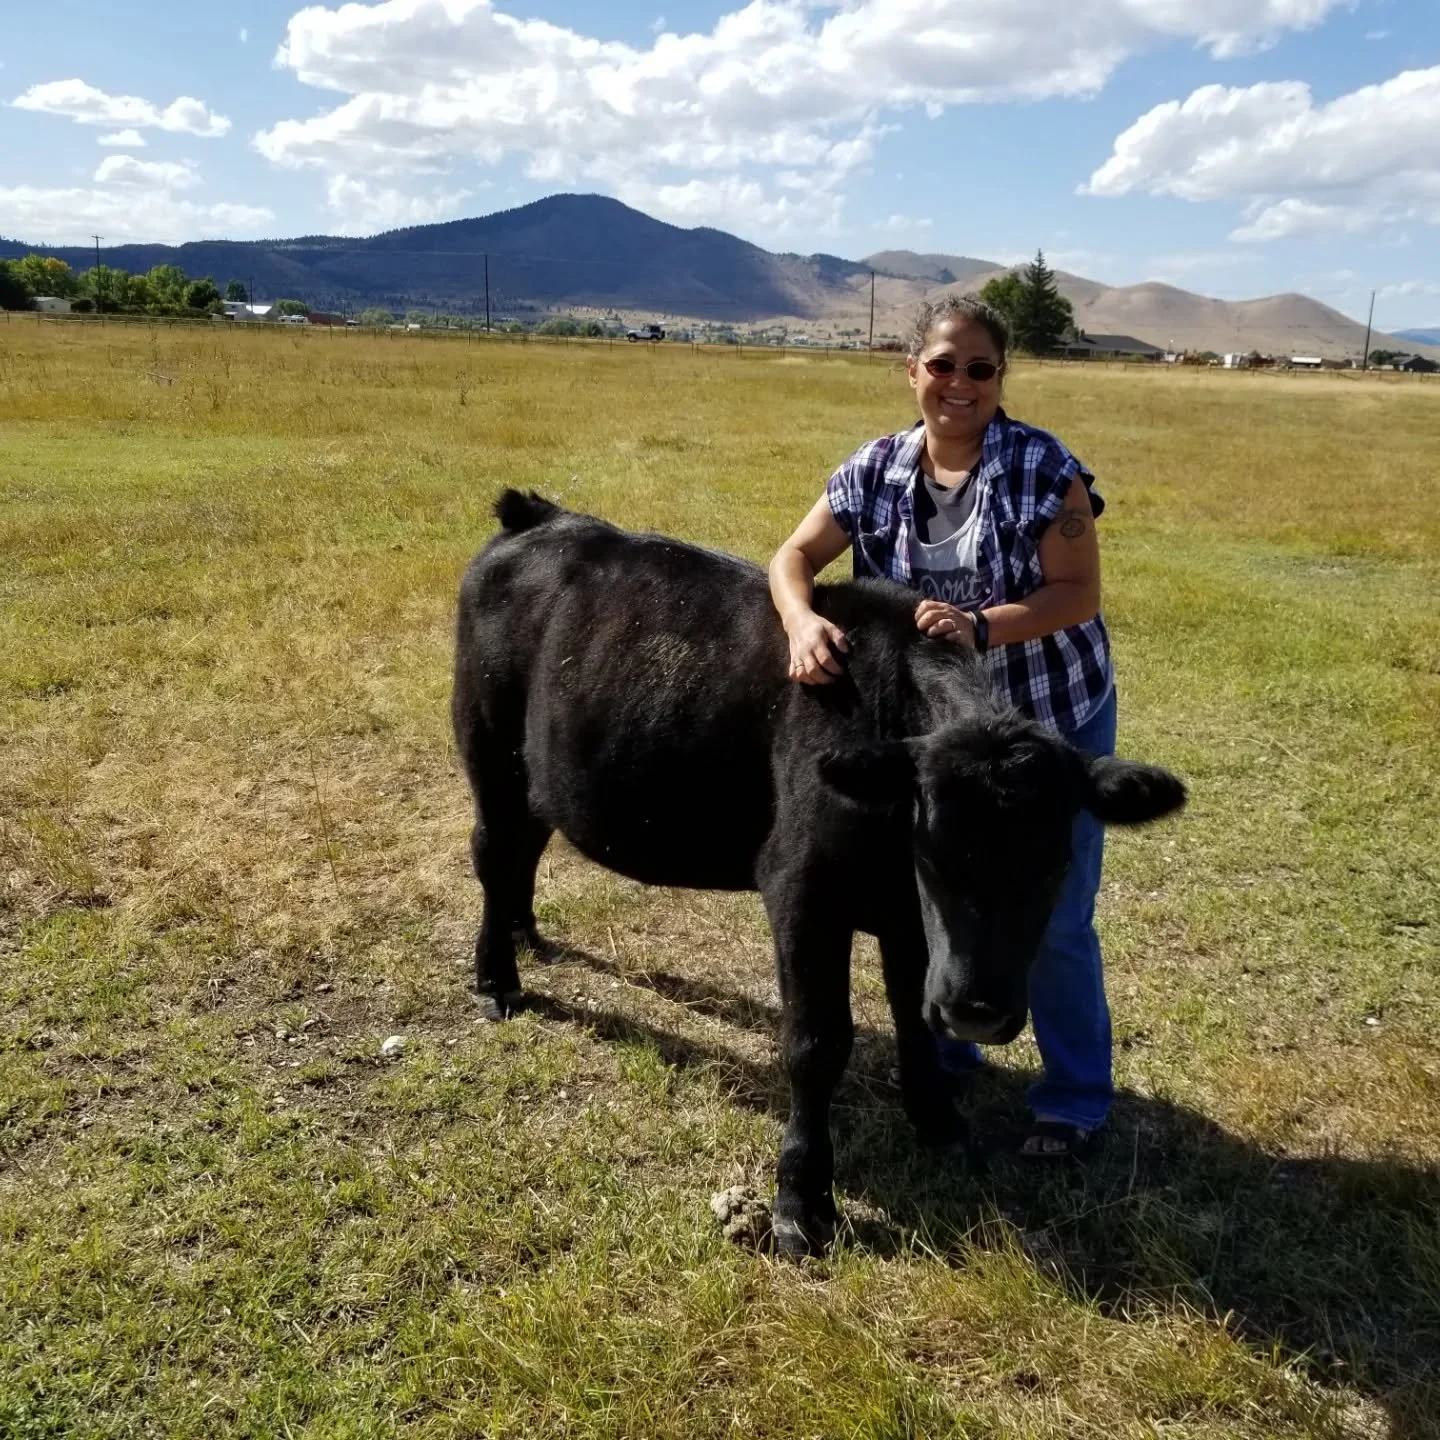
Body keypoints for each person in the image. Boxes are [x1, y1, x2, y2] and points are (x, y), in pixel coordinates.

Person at [768, 294, 1116, 1160]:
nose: (959, 385)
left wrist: (984, 625)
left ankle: (1072, 1100)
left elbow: (1077, 595)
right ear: (911, 370)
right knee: (937, 896)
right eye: (942, 366)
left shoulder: (1043, 469)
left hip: (1044, 719)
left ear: (1001, 377)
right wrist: (800, 622)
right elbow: (793, 557)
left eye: (980, 369)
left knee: (1055, 917)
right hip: (937, 740)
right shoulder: (876, 468)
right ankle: (947, 1049)